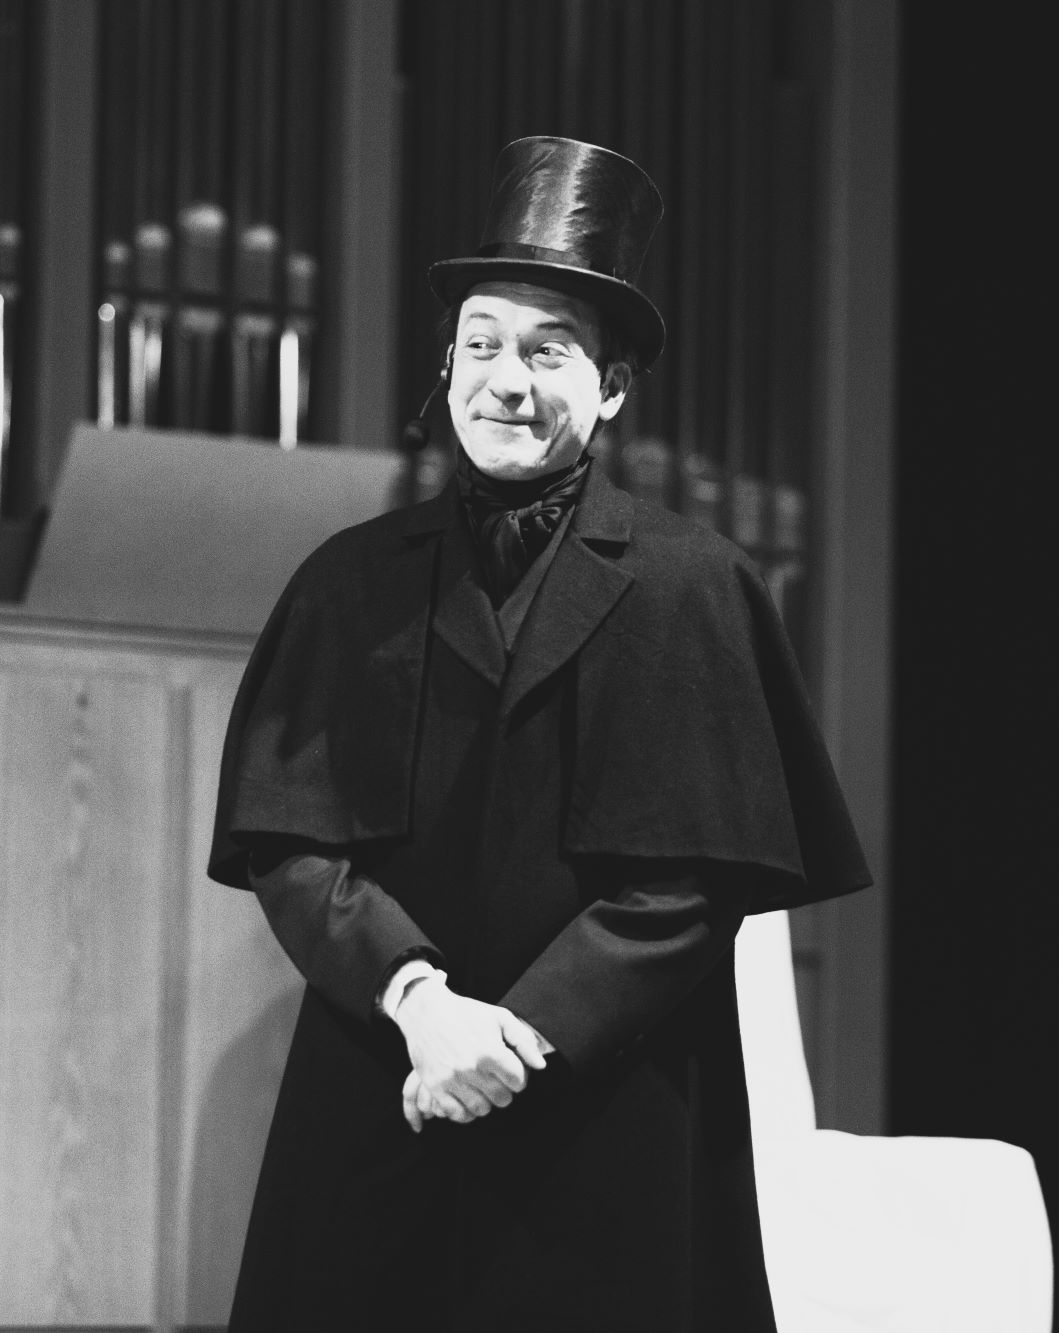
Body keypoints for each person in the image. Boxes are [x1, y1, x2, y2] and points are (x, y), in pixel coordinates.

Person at [209, 136, 872, 1333]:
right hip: (385, 1081)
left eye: (546, 349)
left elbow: (692, 879)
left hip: (605, 1111)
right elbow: (291, 843)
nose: (504, 380)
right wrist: (422, 1005)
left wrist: (512, 1040)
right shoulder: (346, 581)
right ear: (446, 366)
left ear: (611, 388)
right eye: (480, 344)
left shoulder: (693, 585)